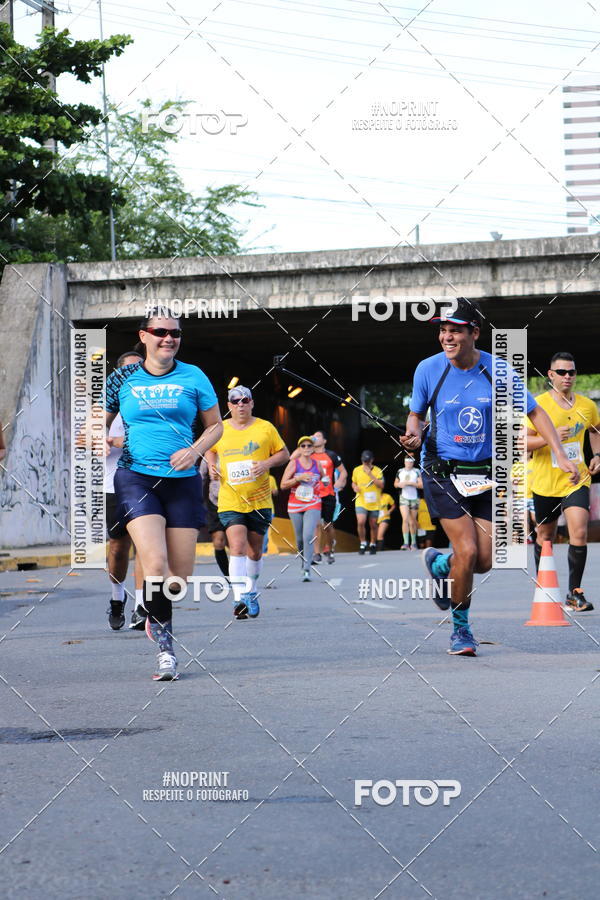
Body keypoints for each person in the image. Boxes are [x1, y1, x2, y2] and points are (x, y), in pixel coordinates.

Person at [401, 298, 579, 657]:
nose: (447, 337)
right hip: (442, 469)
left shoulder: (498, 370)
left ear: (474, 333)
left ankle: (439, 563)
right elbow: (415, 416)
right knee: (466, 550)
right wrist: (414, 435)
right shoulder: (428, 369)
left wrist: (559, 453)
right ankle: (461, 630)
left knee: (483, 560)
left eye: (455, 330)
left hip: (485, 472)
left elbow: (536, 412)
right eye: (443, 330)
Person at [105, 310, 222, 680]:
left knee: (179, 576)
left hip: (183, 480)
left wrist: (195, 450)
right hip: (135, 477)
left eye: (175, 333)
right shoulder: (123, 377)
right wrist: (96, 438)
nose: (168, 338)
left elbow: (216, 425)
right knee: (154, 562)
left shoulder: (194, 376)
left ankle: (155, 607)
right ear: (144, 336)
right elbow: (99, 418)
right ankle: (166, 648)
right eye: (160, 332)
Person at [206, 386, 289, 619]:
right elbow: (210, 450)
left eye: (245, 400)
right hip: (230, 500)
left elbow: (285, 454)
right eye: (235, 401)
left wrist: (266, 464)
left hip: (259, 500)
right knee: (238, 546)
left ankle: (251, 591)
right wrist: (212, 465)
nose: (240, 404)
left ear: (252, 403)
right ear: (229, 406)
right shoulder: (220, 429)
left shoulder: (265, 428)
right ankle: (238, 597)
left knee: (255, 552)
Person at [526, 352, 600, 611]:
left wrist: (598, 454)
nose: (568, 377)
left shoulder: (587, 405)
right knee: (545, 535)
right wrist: (550, 436)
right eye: (562, 372)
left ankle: (575, 592)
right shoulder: (538, 405)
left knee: (579, 530)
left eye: (572, 372)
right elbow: (523, 442)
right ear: (550, 375)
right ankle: (544, 585)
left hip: (575, 479)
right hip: (545, 481)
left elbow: (595, 431)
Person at [105, 350, 145, 631]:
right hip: (113, 486)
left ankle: (141, 606)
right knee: (119, 550)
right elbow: (85, 437)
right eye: (128, 369)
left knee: (146, 547)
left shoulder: (150, 404)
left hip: (145, 483)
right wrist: (101, 441)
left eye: (139, 368)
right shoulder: (106, 407)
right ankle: (117, 599)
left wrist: (118, 440)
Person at [289, 430, 347, 563]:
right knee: (315, 525)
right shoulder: (308, 455)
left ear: (324, 441)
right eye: (313, 436)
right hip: (313, 494)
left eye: (318, 436)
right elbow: (291, 458)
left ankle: (331, 550)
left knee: (327, 525)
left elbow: (343, 472)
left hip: (328, 494)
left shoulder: (331, 455)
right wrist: (306, 442)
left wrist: (338, 483)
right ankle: (316, 553)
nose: (315, 438)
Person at [281, 436, 325, 581]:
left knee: (308, 535)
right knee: (300, 539)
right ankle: (303, 560)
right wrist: (298, 479)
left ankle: (307, 569)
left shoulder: (317, 464)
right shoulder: (294, 464)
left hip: (313, 503)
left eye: (309, 446)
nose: (306, 448)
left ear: (313, 449)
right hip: (295, 505)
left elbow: (324, 478)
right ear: (299, 449)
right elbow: (283, 485)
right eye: (303, 446)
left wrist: (324, 483)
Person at [199, 457, 229, 578]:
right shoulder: (209, 456)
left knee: (238, 543)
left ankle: (242, 576)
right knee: (218, 542)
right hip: (215, 503)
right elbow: (200, 477)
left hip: (238, 502)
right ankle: (228, 577)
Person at [351, 450, 384, 554]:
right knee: (361, 521)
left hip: (374, 502)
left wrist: (370, 474)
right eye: (364, 461)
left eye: (367, 461)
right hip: (361, 500)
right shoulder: (357, 470)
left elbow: (381, 485)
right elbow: (353, 482)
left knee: (373, 524)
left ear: (372, 460)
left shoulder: (378, 470)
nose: (365, 463)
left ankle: (373, 543)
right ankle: (363, 543)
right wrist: (354, 487)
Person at [394, 456, 422, 549]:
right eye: (407, 462)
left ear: (413, 463)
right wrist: (400, 484)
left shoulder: (417, 471)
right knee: (405, 519)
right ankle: (405, 542)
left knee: (412, 521)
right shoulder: (400, 471)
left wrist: (410, 483)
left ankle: (413, 542)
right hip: (403, 498)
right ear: (404, 462)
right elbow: (395, 484)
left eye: (411, 462)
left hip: (414, 498)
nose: (409, 464)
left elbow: (421, 485)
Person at [262, 474, 278, 554]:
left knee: (265, 531)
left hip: (269, 509)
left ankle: (263, 551)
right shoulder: (252, 478)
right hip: (255, 509)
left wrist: (274, 491)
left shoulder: (271, 478)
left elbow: (275, 492)